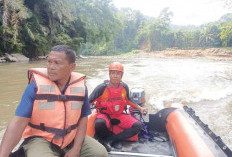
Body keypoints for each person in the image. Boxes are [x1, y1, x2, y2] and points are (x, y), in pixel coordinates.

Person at [0, 45, 107, 157]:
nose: (51, 67)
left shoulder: (81, 88)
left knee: (100, 153)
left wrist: (76, 148)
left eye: (57, 63)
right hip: (41, 138)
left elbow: (83, 119)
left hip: (70, 137)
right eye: (49, 62)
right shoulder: (35, 87)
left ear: (72, 67)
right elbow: (18, 123)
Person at [89, 62, 148, 151]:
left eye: (118, 73)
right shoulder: (101, 88)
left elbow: (129, 100)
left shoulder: (124, 87)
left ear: (121, 75)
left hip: (119, 115)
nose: (115, 76)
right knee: (99, 123)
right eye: (113, 73)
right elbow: (88, 101)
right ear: (109, 74)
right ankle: (109, 137)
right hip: (105, 115)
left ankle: (111, 140)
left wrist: (140, 108)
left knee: (138, 125)